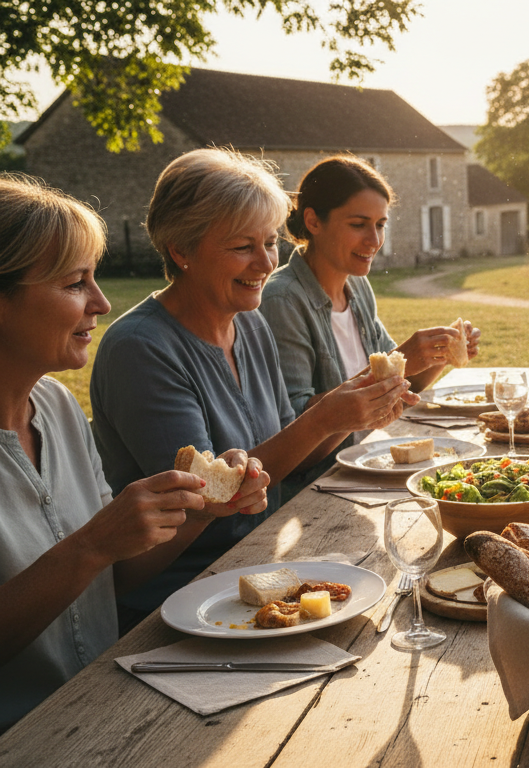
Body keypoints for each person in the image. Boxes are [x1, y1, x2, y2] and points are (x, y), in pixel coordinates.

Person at [91, 148, 411, 629]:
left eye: (269, 242)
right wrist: (325, 418)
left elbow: (286, 458)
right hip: (182, 604)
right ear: (181, 250)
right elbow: (207, 501)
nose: (265, 263)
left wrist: (354, 414)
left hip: (262, 566)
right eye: (243, 247)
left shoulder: (251, 322)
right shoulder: (140, 348)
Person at [0, 175, 230, 729]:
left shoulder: (54, 404)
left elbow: (113, 577)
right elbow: (91, 554)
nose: (102, 302)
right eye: (76, 283)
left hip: (106, 708)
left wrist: (199, 512)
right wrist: (92, 544)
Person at [260, 155, 480, 485]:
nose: (375, 241)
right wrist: (407, 355)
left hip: (367, 466)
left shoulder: (357, 285)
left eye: (380, 225)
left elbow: (406, 387)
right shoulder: (283, 299)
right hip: (320, 485)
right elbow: (295, 430)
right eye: (358, 224)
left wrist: (441, 352)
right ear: (313, 221)